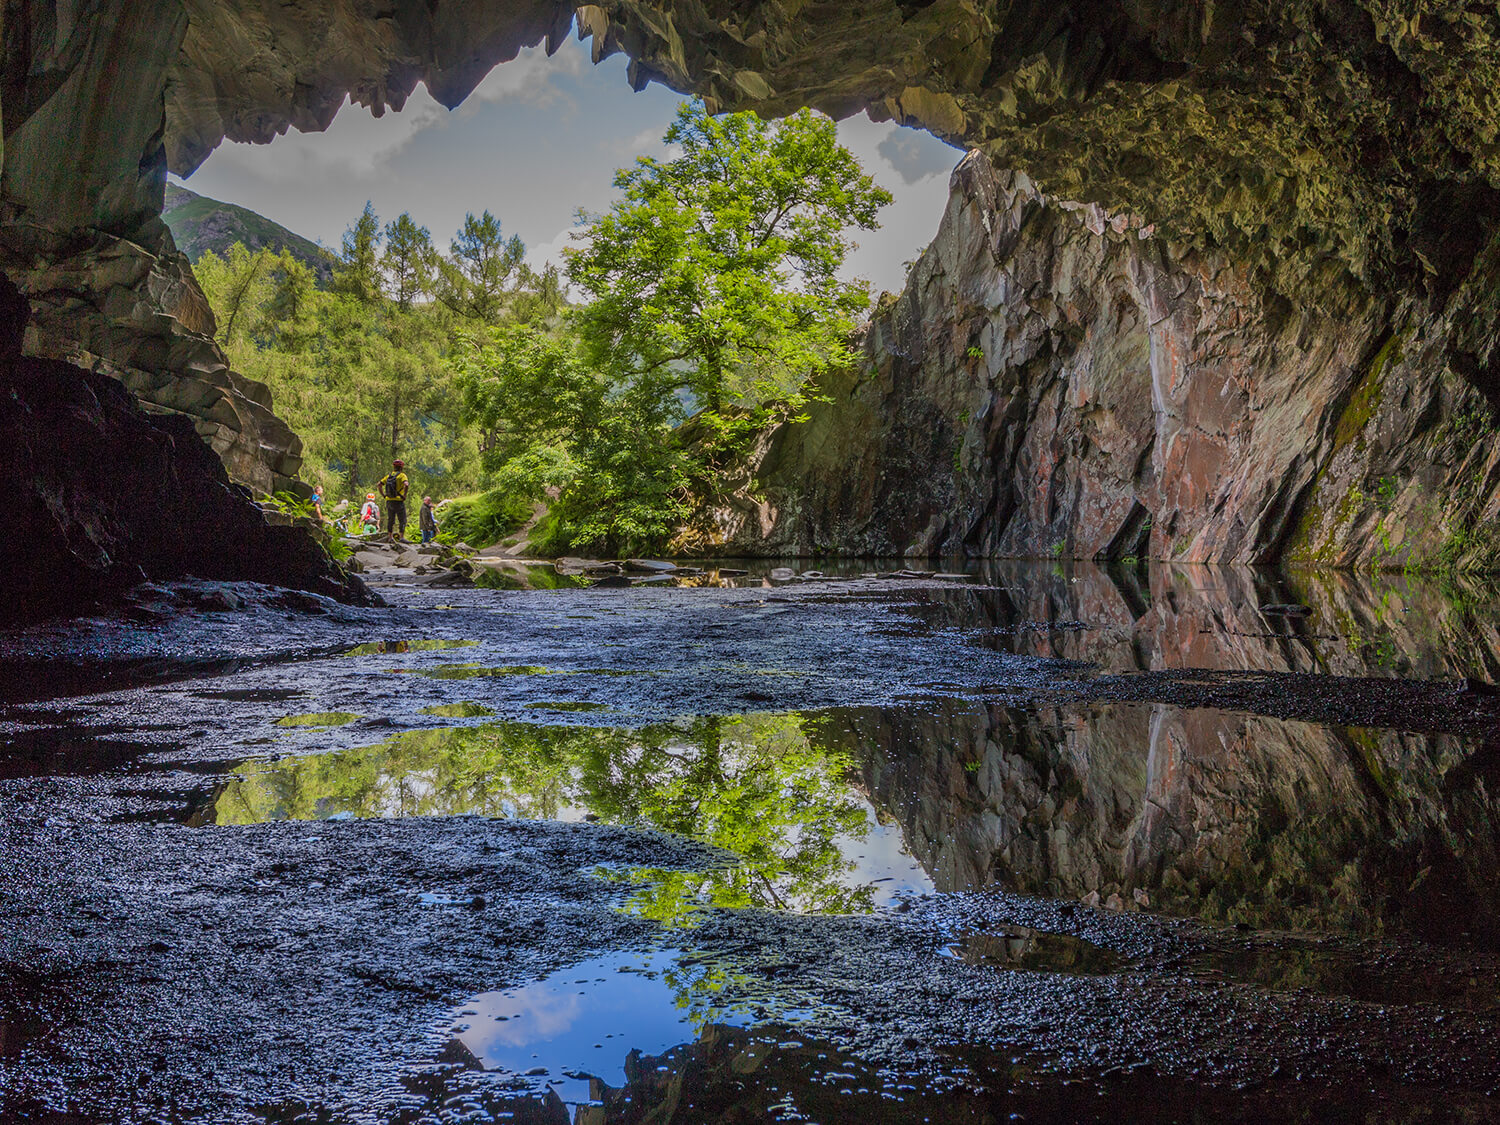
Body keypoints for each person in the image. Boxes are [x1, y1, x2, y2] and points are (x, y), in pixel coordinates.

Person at [378, 459, 410, 541]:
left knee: (391, 519)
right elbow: (406, 484)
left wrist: (384, 495)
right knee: (402, 519)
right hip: (399, 501)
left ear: (394, 466)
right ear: (401, 467)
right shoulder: (402, 475)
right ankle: (401, 537)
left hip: (389, 500)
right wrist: (404, 495)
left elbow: (379, 484)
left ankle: (390, 537)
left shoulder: (389, 476)